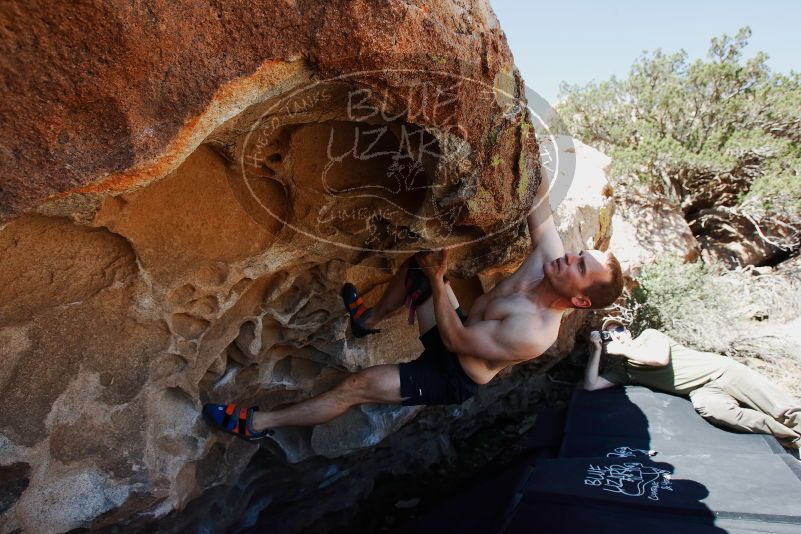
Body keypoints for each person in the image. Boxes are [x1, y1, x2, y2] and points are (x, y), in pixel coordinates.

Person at [203, 169, 624, 441]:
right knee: (419, 266)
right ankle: (367, 320)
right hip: (460, 332)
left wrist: (441, 283)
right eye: (577, 252)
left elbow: (456, 338)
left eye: (579, 264)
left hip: (451, 372)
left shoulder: (534, 333)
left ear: (580, 298)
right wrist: (530, 136)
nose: (570, 255)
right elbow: (540, 200)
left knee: (356, 386)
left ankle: (256, 424)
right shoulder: (547, 258)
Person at [583, 318, 801, 449]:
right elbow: (590, 385)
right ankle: (791, 439)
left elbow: (660, 359)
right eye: (609, 334)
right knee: (714, 410)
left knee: (783, 410)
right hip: (702, 390)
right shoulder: (624, 370)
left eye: (619, 330)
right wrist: (596, 351)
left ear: (628, 332)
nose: (616, 335)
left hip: (723, 370)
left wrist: (624, 349)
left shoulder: (649, 336)